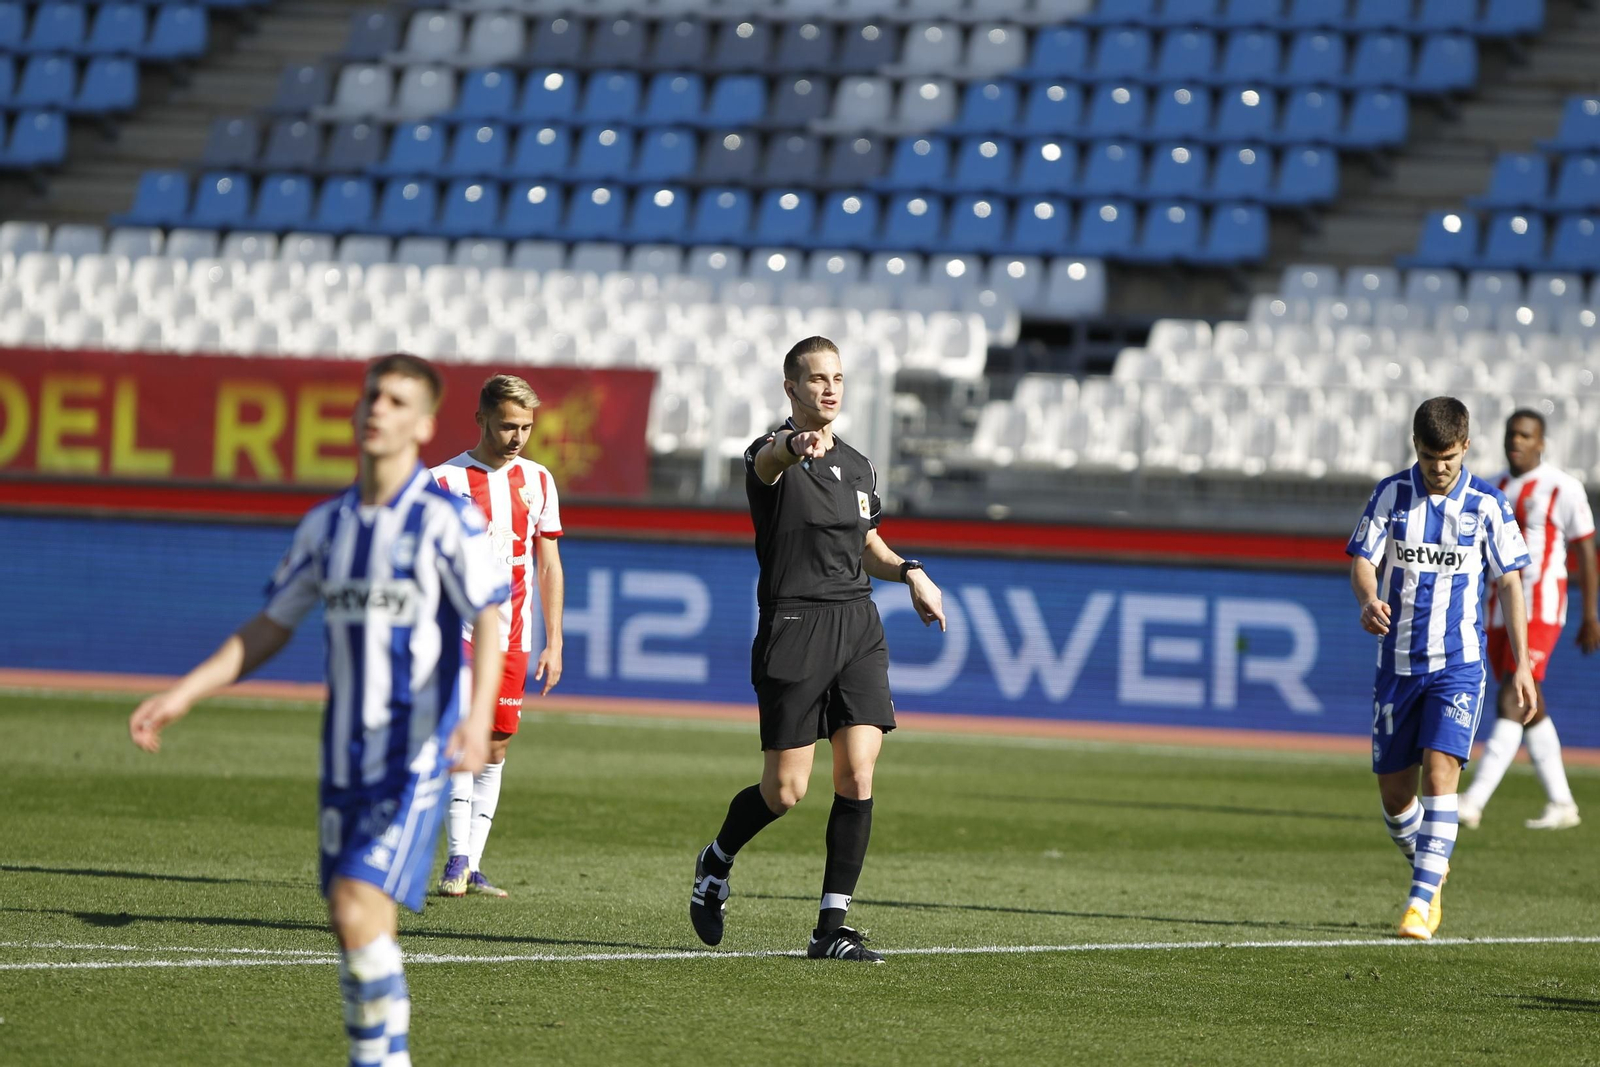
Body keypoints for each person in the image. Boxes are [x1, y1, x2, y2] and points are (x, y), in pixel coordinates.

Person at [128, 354, 508, 1067]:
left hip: (415, 746)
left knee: (354, 905)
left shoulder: (445, 520)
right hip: (345, 753)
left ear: (424, 424)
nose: (377, 409)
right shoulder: (327, 526)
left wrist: (475, 713)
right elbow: (270, 625)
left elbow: (488, 616)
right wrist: (183, 693)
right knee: (361, 924)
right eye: (371, 396)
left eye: (396, 400)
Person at [687, 335, 946, 964]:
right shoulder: (769, 455)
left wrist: (911, 571)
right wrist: (792, 445)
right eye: (816, 379)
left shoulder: (860, 465)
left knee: (857, 773)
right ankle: (715, 863)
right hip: (795, 627)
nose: (829, 388)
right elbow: (770, 460)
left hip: (858, 625)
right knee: (785, 791)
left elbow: (868, 545)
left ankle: (832, 926)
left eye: (836, 378)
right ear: (790, 388)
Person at [1346, 396, 1536, 942]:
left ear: (1466, 447)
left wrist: (1521, 663)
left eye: (1449, 457)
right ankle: (1432, 863)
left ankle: (1419, 902)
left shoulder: (1488, 505)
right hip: (1397, 665)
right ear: (1417, 447)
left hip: (1458, 665)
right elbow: (1365, 560)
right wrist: (1366, 598)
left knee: (1439, 775)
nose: (1439, 467)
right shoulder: (1391, 494)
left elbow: (1509, 582)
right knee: (1394, 796)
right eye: (1431, 457)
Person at [431, 374, 565, 898]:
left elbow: (549, 565)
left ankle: (473, 863)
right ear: (481, 419)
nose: (517, 437)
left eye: (526, 427)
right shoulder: (442, 481)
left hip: (514, 633)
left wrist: (554, 640)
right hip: (456, 631)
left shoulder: (538, 480)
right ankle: (456, 859)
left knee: (496, 745)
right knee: (463, 735)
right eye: (508, 425)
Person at [1460, 410, 1597, 831]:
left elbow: (1586, 551)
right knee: (1530, 702)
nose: (1515, 441)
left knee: (1515, 695)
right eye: (1511, 434)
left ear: (1541, 442)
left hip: (1542, 604)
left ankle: (1473, 801)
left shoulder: (1563, 487)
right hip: (1499, 607)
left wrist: (1591, 613)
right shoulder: (1493, 486)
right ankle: (1562, 802)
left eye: (1525, 435)